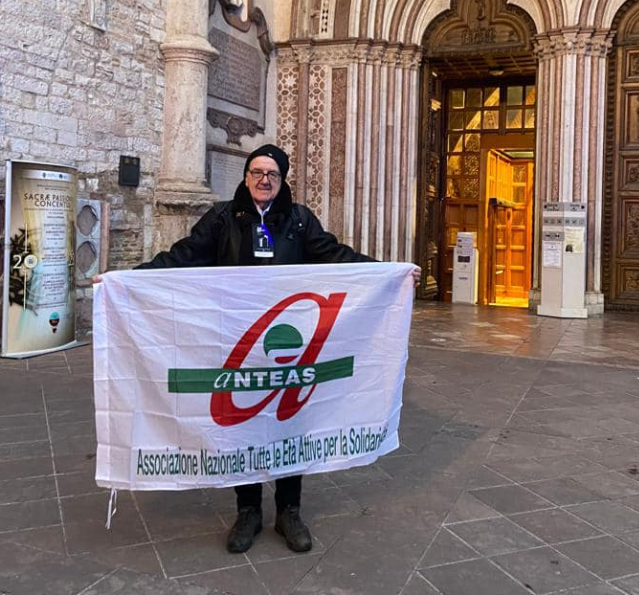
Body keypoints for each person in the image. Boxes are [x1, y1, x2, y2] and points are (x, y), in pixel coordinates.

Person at [126, 144, 419, 554]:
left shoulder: (298, 221)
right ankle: (248, 512)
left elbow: (334, 255)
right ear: (246, 178)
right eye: (256, 172)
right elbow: (185, 255)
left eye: (272, 174)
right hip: (237, 339)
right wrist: (131, 280)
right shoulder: (224, 217)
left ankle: (288, 511)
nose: (264, 180)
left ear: (282, 182)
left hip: (288, 341)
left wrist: (389, 273)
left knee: (288, 422)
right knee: (241, 422)